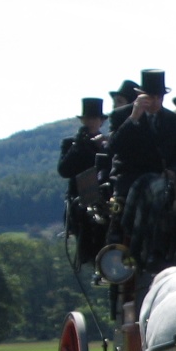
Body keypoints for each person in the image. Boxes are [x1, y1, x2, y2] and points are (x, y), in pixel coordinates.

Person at [106, 69, 176, 270]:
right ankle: (142, 248)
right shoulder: (121, 116)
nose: (155, 101)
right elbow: (113, 148)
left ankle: (156, 250)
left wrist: (174, 170)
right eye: (150, 96)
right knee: (155, 191)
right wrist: (134, 118)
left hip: (161, 177)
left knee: (163, 191)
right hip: (130, 177)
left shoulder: (174, 121)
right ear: (141, 97)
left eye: (159, 97)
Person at [57, 97, 108, 266]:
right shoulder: (71, 143)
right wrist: (78, 145)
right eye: (87, 119)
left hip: (101, 196)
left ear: (100, 121)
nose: (90, 122)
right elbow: (64, 170)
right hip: (79, 198)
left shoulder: (106, 143)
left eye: (94, 119)